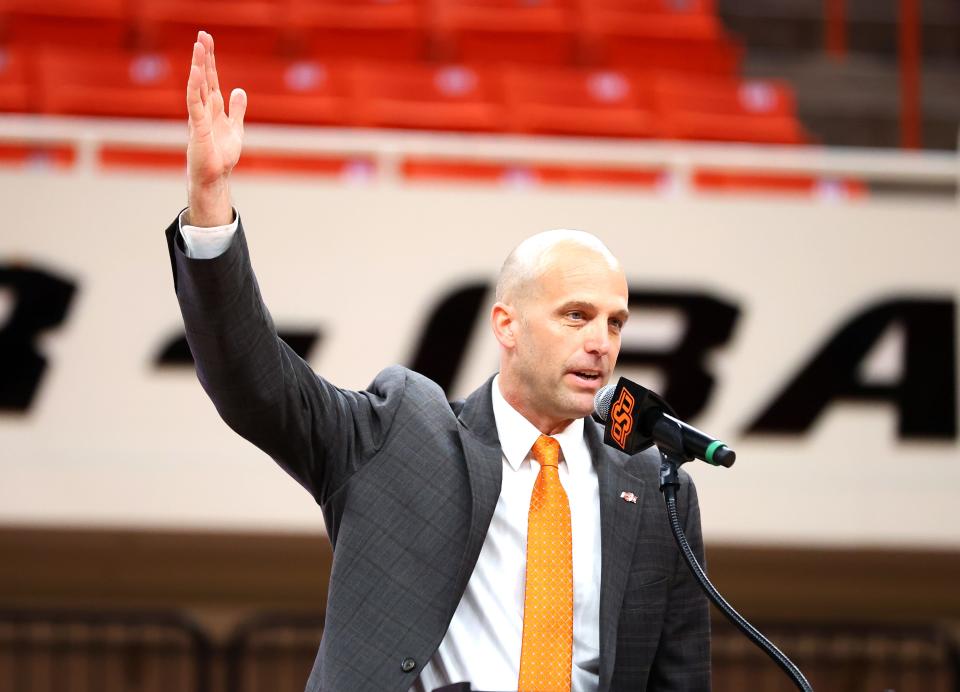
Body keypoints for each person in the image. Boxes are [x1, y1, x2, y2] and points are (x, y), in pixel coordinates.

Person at [166, 31, 710, 692]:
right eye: (575, 315)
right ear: (506, 325)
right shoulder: (403, 438)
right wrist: (211, 204)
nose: (601, 340)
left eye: (615, 322)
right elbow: (256, 386)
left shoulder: (656, 489)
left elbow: (680, 680)